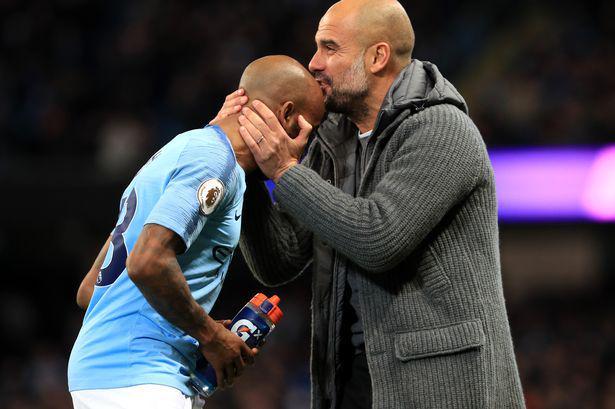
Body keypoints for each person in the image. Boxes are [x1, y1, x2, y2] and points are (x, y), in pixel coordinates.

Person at [217, 0, 526, 407]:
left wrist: (285, 170)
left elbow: (378, 238)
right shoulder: (334, 139)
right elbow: (279, 260)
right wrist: (245, 163)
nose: (314, 63)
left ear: (377, 56)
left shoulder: (441, 128)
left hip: (442, 388)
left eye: (330, 48)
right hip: (352, 381)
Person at [67, 55, 325, 409]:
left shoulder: (182, 148)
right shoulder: (214, 161)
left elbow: (90, 291)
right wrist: (211, 335)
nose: (306, 146)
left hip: (107, 371)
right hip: (138, 375)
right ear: (287, 115)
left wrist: (191, 323)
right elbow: (147, 263)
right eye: (310, 130)